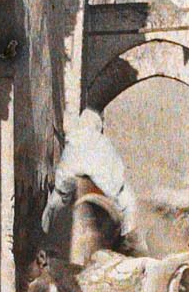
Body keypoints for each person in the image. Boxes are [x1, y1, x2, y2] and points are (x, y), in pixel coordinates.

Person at [42, 108, 143, 256]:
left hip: (73, 187)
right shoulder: (104, 142)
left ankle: (48, 239)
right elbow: (118, 174)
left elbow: (62, 177)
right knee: (130, 203)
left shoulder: (73, 141)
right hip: (104, 189)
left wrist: (61, 191)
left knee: (51, 209)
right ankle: (127, 242)